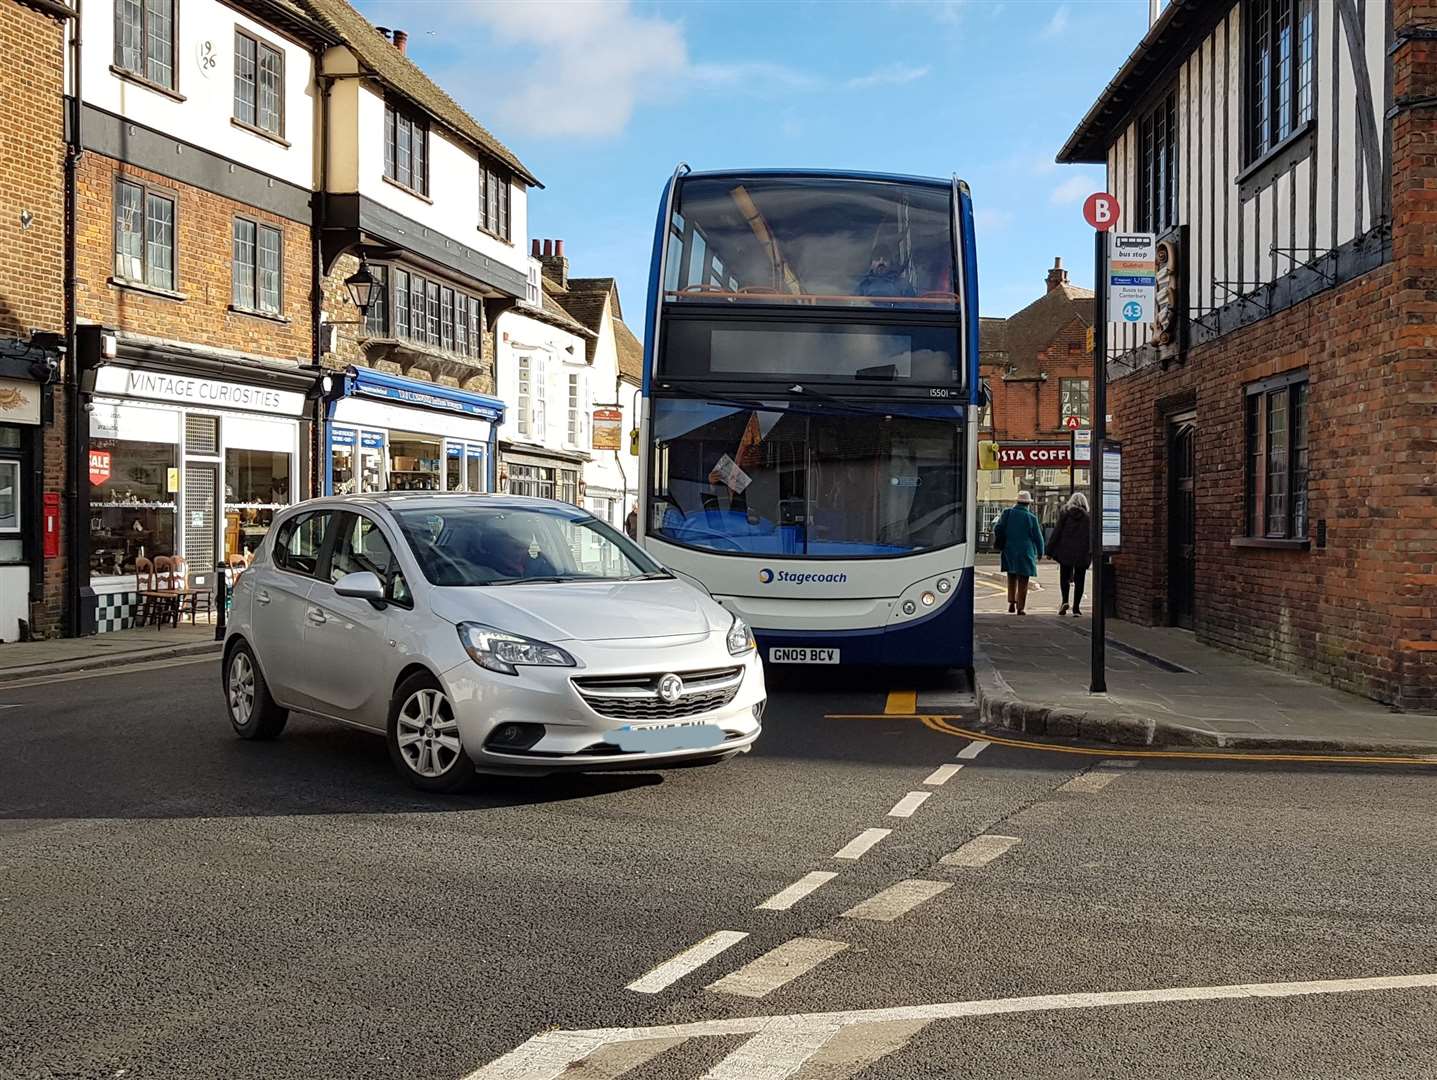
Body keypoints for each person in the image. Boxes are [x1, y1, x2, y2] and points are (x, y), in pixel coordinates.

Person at [993, 491, 1044, 615]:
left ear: (1017, 502)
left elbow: (997, 528)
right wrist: (1040, 552)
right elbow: (1038, 537)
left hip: (1009, 549)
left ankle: (1011, 602)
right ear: (1028, 504)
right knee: (1023, 579)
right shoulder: (1031, 518)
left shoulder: (1007, 513)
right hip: (1026, 551)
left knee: (1012, 576)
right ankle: (1020, 607)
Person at [1047, 492, 1093, 617]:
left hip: (1065, 552)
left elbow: (1057, 533)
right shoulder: (1088, 518)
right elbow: (1091, 536)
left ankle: (1065, 601)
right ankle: (1076, 608)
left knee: (1064, 577)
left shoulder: (1065, 515)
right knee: (1080, 580)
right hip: (1082, 553)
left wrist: (1049, 551)